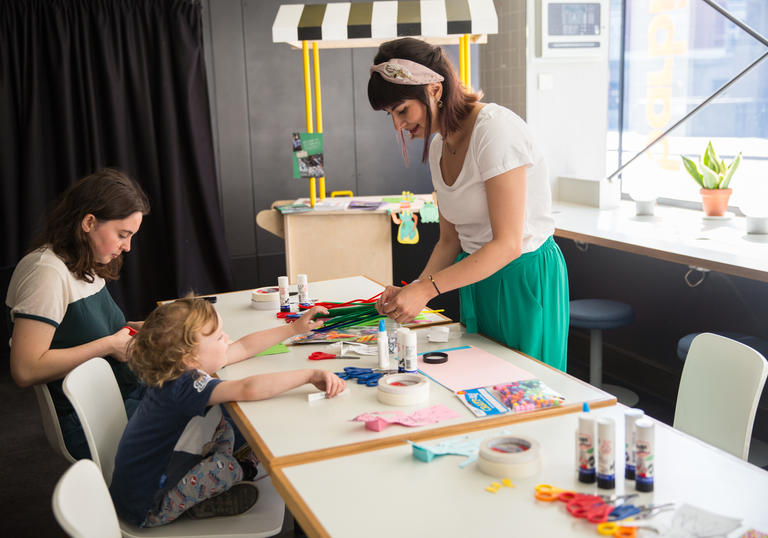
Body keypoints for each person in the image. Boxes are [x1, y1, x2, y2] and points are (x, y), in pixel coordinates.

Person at [367, 38, 569, 371]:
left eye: (402, 110)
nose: (398, 126)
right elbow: (450, 241)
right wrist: (413, 293)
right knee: (486, 385)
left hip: (524, 277)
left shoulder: (495, 131)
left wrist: (427, 291)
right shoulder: (438, 149)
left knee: (529, 391)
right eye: (391, 115)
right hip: (476, 277)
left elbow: (507, 245)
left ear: (433, 88)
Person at [109, 298, 345, 526]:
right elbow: (247, 388)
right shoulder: (186, 385)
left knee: (226, 428)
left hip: (148, 478)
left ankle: (209, 491)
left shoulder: (179, 369)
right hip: (148, 504)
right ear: (191, 357)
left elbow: (243, 347)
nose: (227, 339)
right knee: (227, 465)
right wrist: (308, 375)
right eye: (220, 337)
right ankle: (238, 474)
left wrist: (293, 328)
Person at [6, 168, 150, 458]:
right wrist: (109, 344)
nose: (128, 247)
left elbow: (81, 332)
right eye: (123, 235)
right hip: (90, 419)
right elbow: (25, 369)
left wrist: (130, 332)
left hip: (118, 395)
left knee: (208, 390)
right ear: (88, 222)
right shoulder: (46, 273)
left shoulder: (83, 264)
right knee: (218, 415)